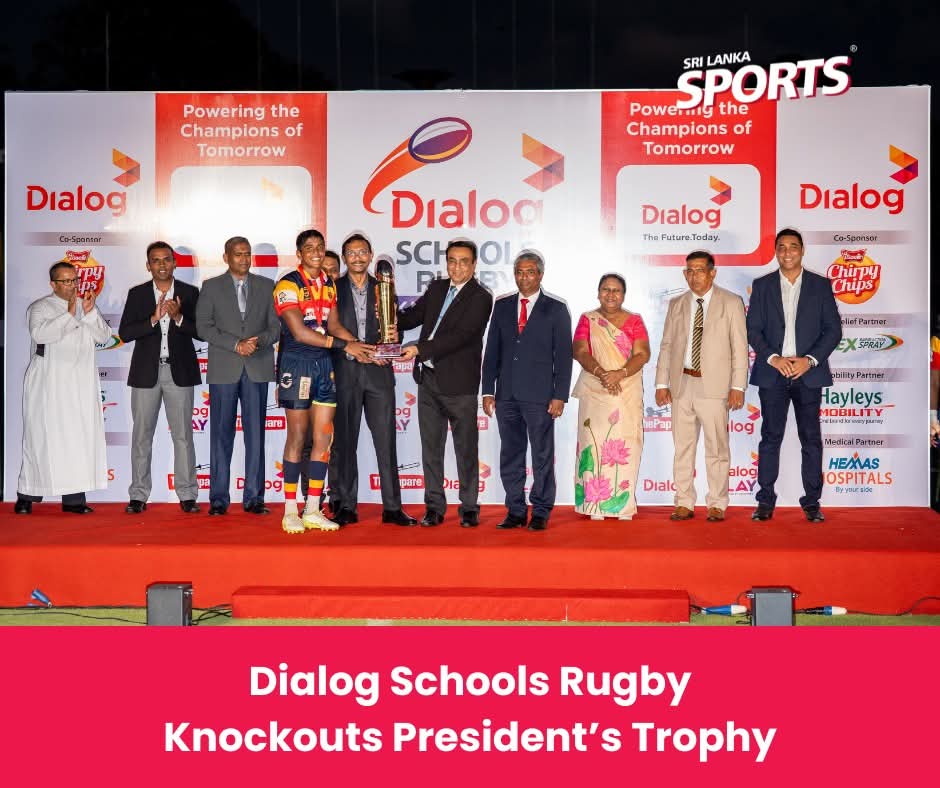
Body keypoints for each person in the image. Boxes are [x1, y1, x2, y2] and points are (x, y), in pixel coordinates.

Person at [273, 229, 373, 534]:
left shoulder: (328, 284)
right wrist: (345, 346)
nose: (316, 252)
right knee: (297, 437)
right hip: (297, 364)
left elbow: (334, 325)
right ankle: (290, 510)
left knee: (323, 439)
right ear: (299, 253)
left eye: (320, 247)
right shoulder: (288, 284)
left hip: (324, 366)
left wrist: (359, 345)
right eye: (309, 248)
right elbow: (300, 332)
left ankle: (313, 508)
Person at [746, 228, 842, 523]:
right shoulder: (762, 285)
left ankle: (812, 502)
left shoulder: (820, 286)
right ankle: (765, 501)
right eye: (782, 247)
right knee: (770, 438)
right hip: (772, 372)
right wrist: (774, 359)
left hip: (807, 374)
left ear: (802, 250)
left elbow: (833, 330)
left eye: (793, 246)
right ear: (776, 251)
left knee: (811, 439)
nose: (787, 252)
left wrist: (809, 361)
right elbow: (753, 330)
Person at [398, 240, 493, 527]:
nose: (457, 267)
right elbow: (412, 318)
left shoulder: (481, 297)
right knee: (431, 449)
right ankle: (434, 507)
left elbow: (461, 336)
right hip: (427, 380)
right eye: (452, 260)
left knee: (465, 449)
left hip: (459, 384)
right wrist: (386, 313)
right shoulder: (438, 288)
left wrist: (420, 349)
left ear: (474, 265)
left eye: (464, 261)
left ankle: (469, 507)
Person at [330, 235, 417, 526]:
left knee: (386, 442)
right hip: (346, 373)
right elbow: (329, 330)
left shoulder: (385, 288)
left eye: (362, 252)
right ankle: (346, 505)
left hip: (379, 375)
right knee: (345, 443)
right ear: (344, 257)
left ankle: (392, 507)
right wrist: (357, 351)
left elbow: (393, 330)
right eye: (351, 253)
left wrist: (391, 342)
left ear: (370, 255)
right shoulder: (332, 289)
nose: (357, 257)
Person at [654, 251, 748, 522]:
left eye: (700, 270)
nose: (694, 276)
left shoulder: (731, 302)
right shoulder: (677, 304)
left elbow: (739, 347)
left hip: (715, 387)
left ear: (712, 273)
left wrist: (738, 387)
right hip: (682, 384)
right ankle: (684, 502)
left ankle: (717, 503)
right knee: (682, 448)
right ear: (685, 274)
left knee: (717, 448)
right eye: (690, 271)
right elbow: (667, 345)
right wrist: (661, 382)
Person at [481, 251, 572, 531]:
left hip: (540, 397)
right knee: (511, 454)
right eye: (520, 272)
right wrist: (487, 390)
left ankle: (541, 510)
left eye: (530, 272)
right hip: (506, 395)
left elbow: (564, 357)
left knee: (542, 456)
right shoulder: (502, 306)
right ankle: (516, 510)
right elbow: (491, 351)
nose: (524, 277)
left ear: (540, 275)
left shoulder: (556, 309)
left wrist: (560, 395)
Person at [14, 261, 112, 514]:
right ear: (53, 284)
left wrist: (90, 313)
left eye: (74, 280)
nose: (72, 286)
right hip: (48, 384)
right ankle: (27, 495)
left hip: (79, 385)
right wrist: (69, 315)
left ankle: (74, 500)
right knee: (40, 439)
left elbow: (104, 336)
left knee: (77, 439)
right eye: (66, 281)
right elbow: (41, 335)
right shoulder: (40, 307)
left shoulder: (84, 305)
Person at [195, 236, 280, 516]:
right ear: (226, 257)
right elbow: (203, 327)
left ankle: (254, 498)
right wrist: (236, 345)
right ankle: (219, 499)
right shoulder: (211, 287)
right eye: (238, 254)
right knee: (221, 435)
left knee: (256, 436)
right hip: (224, 368)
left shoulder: (267, 286)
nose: (244, 259)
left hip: (257, 366)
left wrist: (257, 342)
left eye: (247, 254)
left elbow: (275, 327)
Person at [118, 242, 202, 514]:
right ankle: (138, 495)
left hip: (180, 372)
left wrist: (179, 318)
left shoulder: (190, 292)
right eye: (156, 260)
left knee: (183, 436)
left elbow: (202, 332)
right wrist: (153, 319)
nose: (162, 265)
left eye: (167, 259)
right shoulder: (138, 294)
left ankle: (187, 494)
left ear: (174, 263)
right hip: (146, 373)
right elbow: (125, 333)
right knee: (141, 436)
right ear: (148, 265)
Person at [571, 273, 651, 521]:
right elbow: (580, 351)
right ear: (598, 293)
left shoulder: (635, 321)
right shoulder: (588, 319)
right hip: (595, 390)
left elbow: (642, 354)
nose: (611, 295)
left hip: (626, 389)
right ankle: (594, 505)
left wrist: (619, 374)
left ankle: (622, 506)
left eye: (616, 290)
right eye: (606, 289)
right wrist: (603, 374)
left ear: (623, 295)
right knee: (594, 443)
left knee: (624, 443)